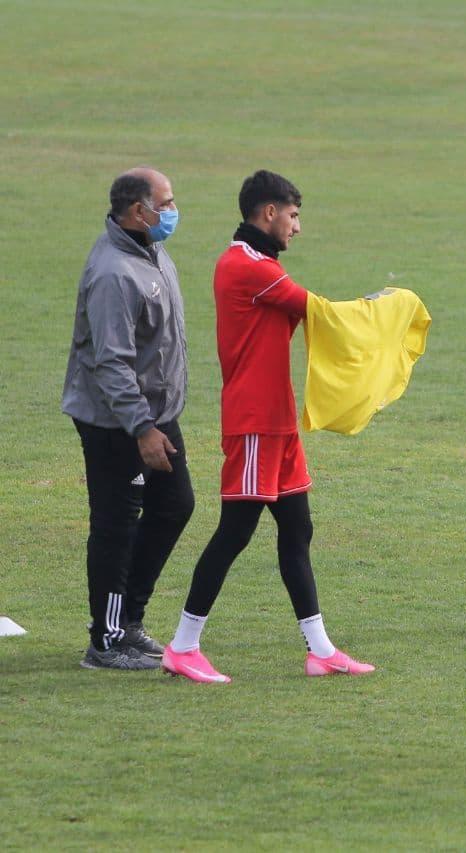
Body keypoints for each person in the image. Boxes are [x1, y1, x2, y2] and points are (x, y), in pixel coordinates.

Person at [162, 170, 373, 683]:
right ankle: (183, 647)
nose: (297, 227)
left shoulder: (259, 265)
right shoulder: (248, 267)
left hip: (278, 423)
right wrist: (386, 311)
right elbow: (319, 313)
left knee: (297, 528)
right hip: (254, 423)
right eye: (293, 216)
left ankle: (320, 651)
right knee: (235, 531)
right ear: (269, 212)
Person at [62, 167, 193, 670]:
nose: (174, 211)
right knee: (116, 524)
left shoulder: (150, 252)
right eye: (167, 202)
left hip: (154, 413)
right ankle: (106, 640)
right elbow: (111, 363)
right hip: (117, 421)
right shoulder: (114, 273)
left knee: (174, 505)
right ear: (140, 211)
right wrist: (141, 428)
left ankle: (128, 621)